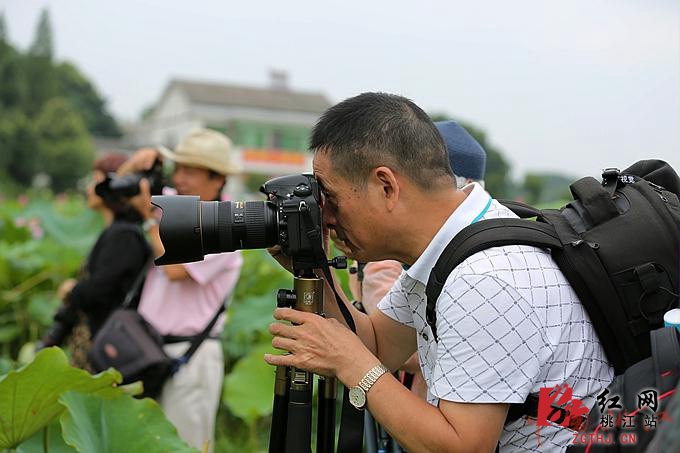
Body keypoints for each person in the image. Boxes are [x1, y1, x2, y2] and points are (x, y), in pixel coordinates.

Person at [265, 93, 615, 452]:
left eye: (331, 198)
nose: (325, 217)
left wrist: (350, 364)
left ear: (386, 186)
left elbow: (463, 447)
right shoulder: (456, 242)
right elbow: (379, 345)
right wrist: (315, 268)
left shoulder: (481, 280)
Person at [122, 129, 243, 453]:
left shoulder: (227, 227)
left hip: (191, 357)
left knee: (186, 447)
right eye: (177, 168)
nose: (179, 178)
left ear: (218, 179)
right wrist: (135, 164)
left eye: (190, 170)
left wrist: (149, 220)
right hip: (147, 349)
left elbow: (175, 270)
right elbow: (113, 193)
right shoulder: (170, 203)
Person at [41, 152, 151, 370]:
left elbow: (100, 288)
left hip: (106, 345)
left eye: (96, 181)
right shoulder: (116, 231)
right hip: (96, 338)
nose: (90, 188)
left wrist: (72, 290)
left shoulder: (125, 235)